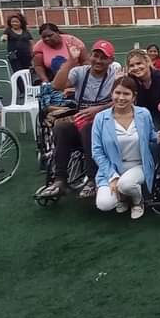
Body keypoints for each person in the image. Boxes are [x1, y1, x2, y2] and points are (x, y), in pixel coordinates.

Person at [35, 40, 121, 200]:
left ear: (111, 60)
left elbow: (121, 101)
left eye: (103, 58)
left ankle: (92, 179)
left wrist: (97, 110)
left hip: (106, 126)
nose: (98, 60)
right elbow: (57, 86)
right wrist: (70, 61)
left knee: (89, 128)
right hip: (82, 123)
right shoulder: (80, 72)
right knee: (61, 128)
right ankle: (60, 180)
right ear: (90, 56)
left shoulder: (115, 75)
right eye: (95, 56)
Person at [91, 76, 160, 219]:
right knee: (104, 204)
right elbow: (97, 151)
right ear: (111, 94)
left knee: (126, 184)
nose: (121, 98)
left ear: (134, 97)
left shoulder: (143, 114)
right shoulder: (100, 118)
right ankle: (122, 197)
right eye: (117, 93)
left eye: (126, 94)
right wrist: (112, 176)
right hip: (112, 167)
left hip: (138, 165)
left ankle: (137, 201)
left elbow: (151, 136)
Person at [127, 48, 160, 128]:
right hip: (140, 118)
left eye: (139, 63)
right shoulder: (130, 81)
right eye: (132, 65)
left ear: (147, 62)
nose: (136, 68)